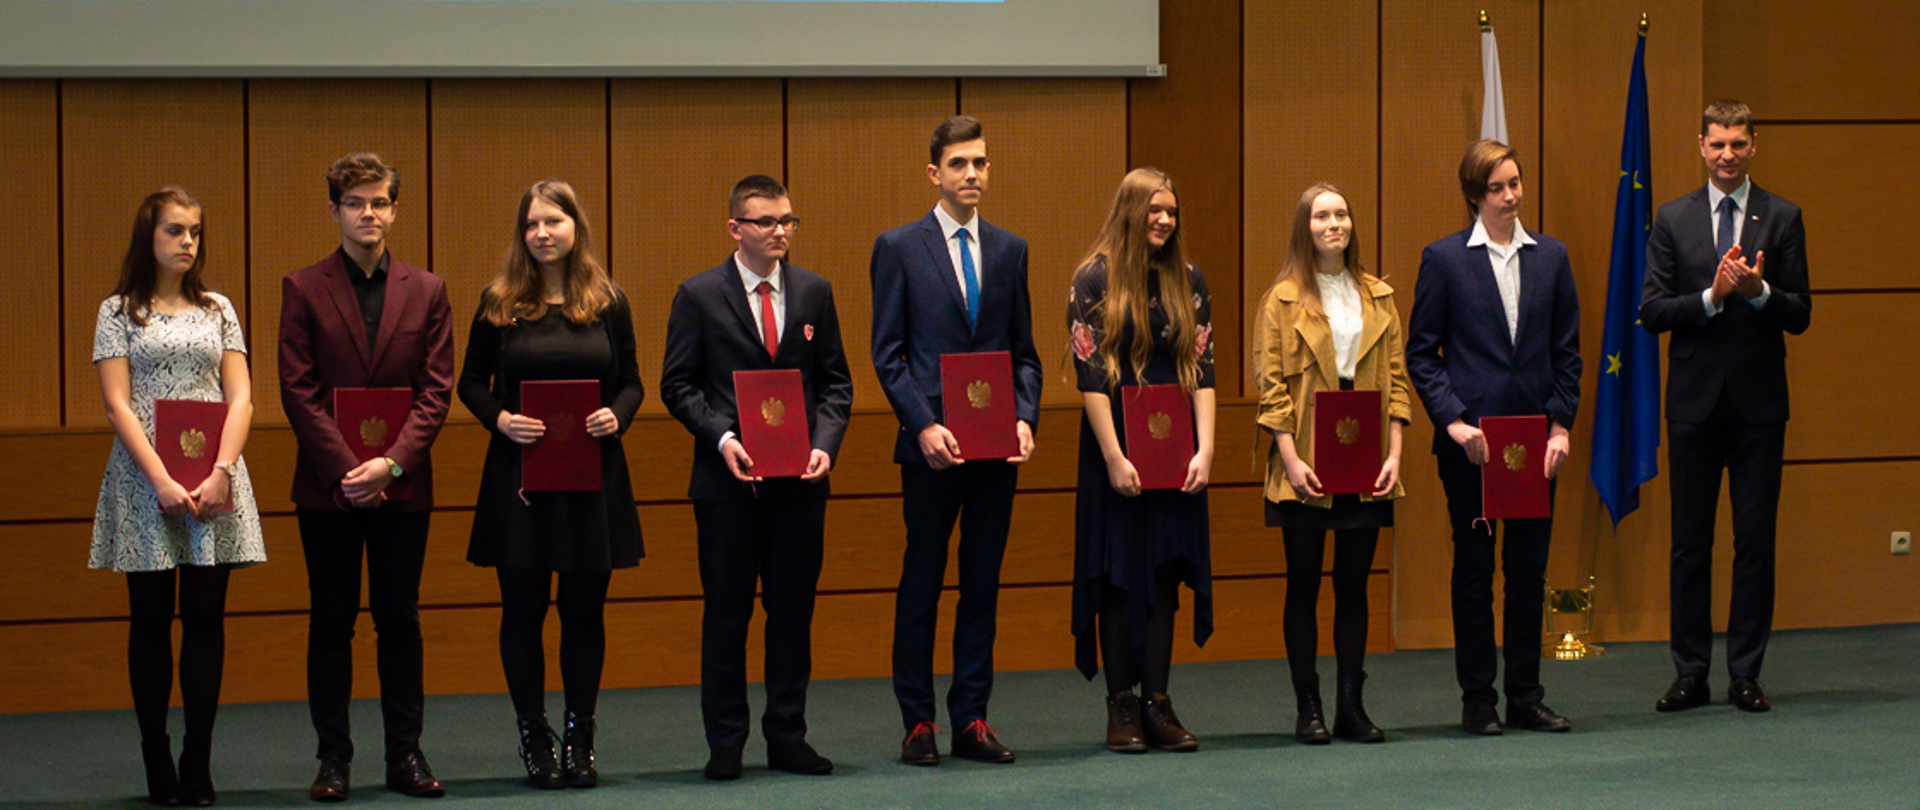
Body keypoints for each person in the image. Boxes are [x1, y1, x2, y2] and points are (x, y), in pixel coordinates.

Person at [660, 174, 854, 781]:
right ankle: (725, 741)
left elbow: (836, 385)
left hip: (800, 484)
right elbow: (678, 384)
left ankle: (787, 736)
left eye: (788, 221)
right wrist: (722, 437)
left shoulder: (815, 292)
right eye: (766, 222)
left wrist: (825, 444)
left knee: (792, 614)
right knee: (727, 615)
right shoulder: (697, 295)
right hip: (727, 488)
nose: (779, 232)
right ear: (735, 228)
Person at [456, 180, 644, 790]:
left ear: (575, 228)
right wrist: (500, 418)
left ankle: (580, 739)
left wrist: (620, 414)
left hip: (593, 477)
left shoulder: (608, 300)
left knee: (584, 613)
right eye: (533, 223)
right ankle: (534, 737)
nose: (543, 233)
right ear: (522, 232)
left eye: (554, 221)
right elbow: (471, 384)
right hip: (521, 481)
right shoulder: (500, 301)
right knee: (524, 611)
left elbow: (633, 383)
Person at [278, 153, 455, 801]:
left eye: (380, 202)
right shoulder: (302, 286)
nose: (369, 213)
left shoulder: (429, 290)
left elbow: (437, 391)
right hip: (328, 488)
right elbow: (297, 390)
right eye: (356, 203)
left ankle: (405, 756)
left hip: (404, 484)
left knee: (399, 621)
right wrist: (350, 471)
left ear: (395, 210)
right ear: (335, 212)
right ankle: (333, 759)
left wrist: (391, 462)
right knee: (331, 622)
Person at [870, 115, 1042, 766]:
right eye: (960, 163)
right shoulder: (898, 247)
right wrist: (925, 425)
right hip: (931, 449)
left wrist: (1026, 416)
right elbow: (888, 356)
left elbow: (1023, 355)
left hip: (997, 449)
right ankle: (917, 722)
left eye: (982, 163)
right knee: (923, 579)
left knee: (982, 582)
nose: (973, 174)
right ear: (934, 173)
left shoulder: (1009, 250)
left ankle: (971, 715)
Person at [92, 187, 266, 806]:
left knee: (205, 621)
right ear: (150, 238)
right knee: (149, 622)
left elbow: (241, 397)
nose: (188, 241)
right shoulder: (119, 310)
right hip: (147, 482)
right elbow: (117, 403)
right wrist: (161, 478)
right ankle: (155, 752)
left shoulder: (219, 308)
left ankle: (198, 756)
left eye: (194, 231)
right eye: (175, 231)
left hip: (215, 478)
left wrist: (222, 468)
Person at [1641, 100, 1811, 715]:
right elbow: (1652, 311)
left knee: (1754, 542)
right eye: (1717, 144)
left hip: (1759, 406)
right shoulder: (1672, 219)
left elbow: (1802, 313)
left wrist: (1760, 291)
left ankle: (1745, 672)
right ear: (1701, 145)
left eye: (1738, 144)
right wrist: (1711, 296)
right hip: (1692, 404)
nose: (1727, 155)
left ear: (1753, 146)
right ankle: (1690, 672)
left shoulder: (1783, 217)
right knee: (1689, 543)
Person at [1406, 139, 1581, 737]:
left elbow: (1568, 355)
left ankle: (1526, 697)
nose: (1513, 195)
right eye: (1500, 187)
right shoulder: (1445, 259)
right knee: (1475, 572)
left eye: (1516, 183)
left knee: (1528, 573)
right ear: (1475, 196)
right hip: (1471, 447)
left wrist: (1561, 425)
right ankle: (1478, 698)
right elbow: (1421, 354)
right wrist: (1453, 421)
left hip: (1536, 445)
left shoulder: (1552, 257)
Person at [1253, 182, 1411, 745]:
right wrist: (1291, 460)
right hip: (1306, 465)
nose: (1333, 224)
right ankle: (1309, 707)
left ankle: (1351, 707)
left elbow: (1396, 383)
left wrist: (1394, 452)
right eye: (1322, 216)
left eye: (1341, 214)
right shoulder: (1282, 299)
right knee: (1303, 585)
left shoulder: (1379, 296)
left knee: (1354, 585)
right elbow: (1270, 388)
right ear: (1306, 226)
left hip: (1365, 464)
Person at [1066, 167, 1215, 754]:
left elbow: (1202, 370)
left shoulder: (1190, 280)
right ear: (1130, 210)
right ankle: (1121, 706)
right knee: (1118, 578)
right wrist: (1113, 456)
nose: (1164, 220)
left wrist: (1206, 448)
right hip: (1116, 452)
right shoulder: (1093, 279)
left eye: (1172, 211)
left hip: (1176, 453)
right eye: (1155, 209)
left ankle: (1159, 703)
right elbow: (1090, 375)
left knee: (1162, 576)